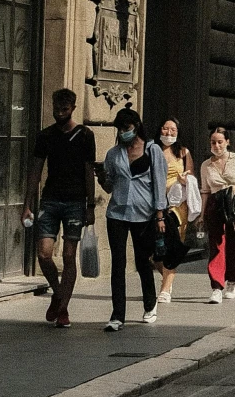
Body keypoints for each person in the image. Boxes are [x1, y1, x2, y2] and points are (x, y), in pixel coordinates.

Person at [23, 87, 97, 326]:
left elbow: (89, 171)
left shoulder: (85, 135)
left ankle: (63, 308)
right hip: (50, 199)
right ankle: (57, 292)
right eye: (56, 109)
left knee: (68, 255)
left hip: (75, 201)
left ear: (73, 108)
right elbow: (35, 171)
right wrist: (28, 204)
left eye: (64, 110)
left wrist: (90, 205)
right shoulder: (45, 136)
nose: (59, 114)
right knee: (43, 253)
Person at [98, 106, 164, 330]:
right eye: (120, 129)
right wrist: (102, 179)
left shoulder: (152, 150)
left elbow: (159, 183)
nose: (123, 133)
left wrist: (160, 214)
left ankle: (150, 303)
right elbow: (108, 187)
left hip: (144, 214)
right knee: (118, 263)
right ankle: (117, 315)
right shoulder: (113, 154)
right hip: (117, 212)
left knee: (142, 260)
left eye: (126, 128)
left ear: (136, 127)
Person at [200, 123, 235, 300]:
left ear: (227, 142)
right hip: (215, 204)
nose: (216, 146)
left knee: (234, 244)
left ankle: (231, 281)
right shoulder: (206, 165)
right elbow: (205, 191)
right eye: (213, 142)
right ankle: (216, 287)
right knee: (216, 245)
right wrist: (201, 215)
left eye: (220, 142)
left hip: (234, 203)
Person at [155, 118, 197, 302]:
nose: (168, 133)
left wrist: (184, 178)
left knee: (172, 245)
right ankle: (166, 277)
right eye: (165, 129)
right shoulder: (152, 150)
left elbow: (191, 176)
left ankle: (165, 289)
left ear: (178, 132)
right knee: (153, 249)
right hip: (155, 204)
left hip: (177, 207)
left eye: (173, 129)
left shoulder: (183, 152)